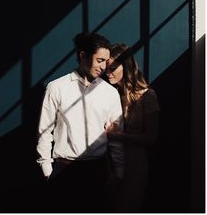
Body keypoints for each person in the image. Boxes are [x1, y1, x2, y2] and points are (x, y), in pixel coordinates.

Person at [36, 32, 124, 212]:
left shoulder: (110, 93)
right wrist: (47, 170)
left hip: (97, 172)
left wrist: (118, 173)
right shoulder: (56, 87)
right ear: (82, 55)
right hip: (63, 171)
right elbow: (44, 132)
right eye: (99, 60)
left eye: (106, 62)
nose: (103, 67)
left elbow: (116, 138)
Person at [105, 43, 160, 212]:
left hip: (135, 165)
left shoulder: (147, 96)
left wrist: (117, 136)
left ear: (126, 66)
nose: (107, 73)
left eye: (112, 68)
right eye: (106, 68)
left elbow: (151, 138)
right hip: (109, 163)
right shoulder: (108, 94)